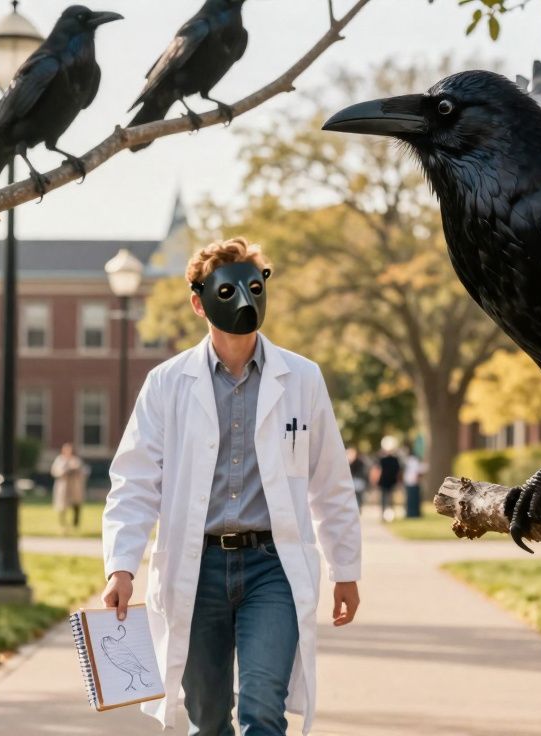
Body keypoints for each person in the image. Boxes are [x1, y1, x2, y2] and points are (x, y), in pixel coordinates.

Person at [101, 237, 362, 736]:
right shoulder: (166, 382)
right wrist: (121, 566)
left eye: (255, 286)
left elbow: (330, 480)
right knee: (209, 718)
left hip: (273, 569)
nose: (244, 300)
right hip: (196, 569)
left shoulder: (302, 379)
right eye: (227, 291)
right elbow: (134, 481)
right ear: (199, 301)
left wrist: (345, 568)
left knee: (264, 707)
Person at [50, 442, 88, 531]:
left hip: (75, 487)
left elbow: (83, 472)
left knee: (76, 505)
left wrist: (76, 470)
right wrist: (66, 470)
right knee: (62, 506)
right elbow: (55, 471)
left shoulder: (76, 460)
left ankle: (75, 524)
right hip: (63, 487)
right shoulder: (60, 460)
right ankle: (63, 524)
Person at [370, 435, 401, 522]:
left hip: (387, 481)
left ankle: (386, 514)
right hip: (387, 481)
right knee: (388, 499)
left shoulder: (383, 459)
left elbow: (378, 470)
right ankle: (387, 514)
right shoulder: (393, 459)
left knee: (387, 499)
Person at [402, 445, 427, 518]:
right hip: (412, 482)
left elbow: (416, 471)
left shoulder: (411, 460)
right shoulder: (412, 460)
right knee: (412, 499)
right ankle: (412, 513)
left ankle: (412, 513)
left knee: (412, 499)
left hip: (412, 482)